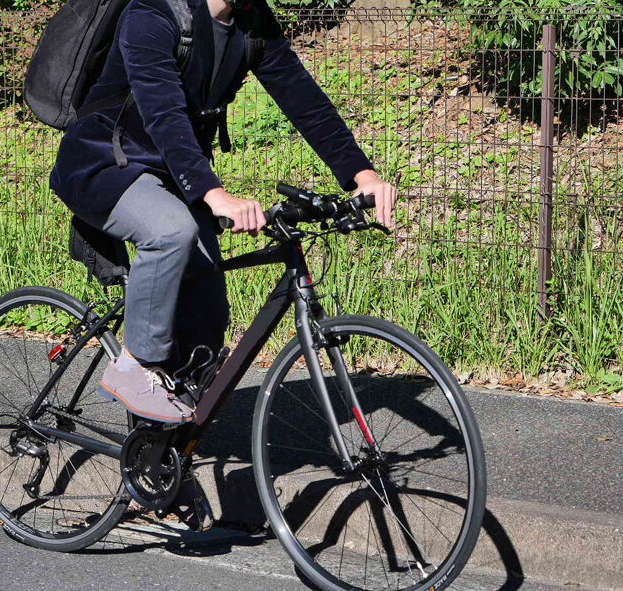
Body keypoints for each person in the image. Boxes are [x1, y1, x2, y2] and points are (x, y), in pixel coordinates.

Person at [49, 0, 397, 425]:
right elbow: (164, 115)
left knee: (205, 320)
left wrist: (362, 174)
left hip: (174, 172)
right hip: (104, 163)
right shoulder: (152, 13)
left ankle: (155, 467)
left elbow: (304, 99)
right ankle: (135, 366)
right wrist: (214, 194)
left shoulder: (250, 22)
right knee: (170, 230)